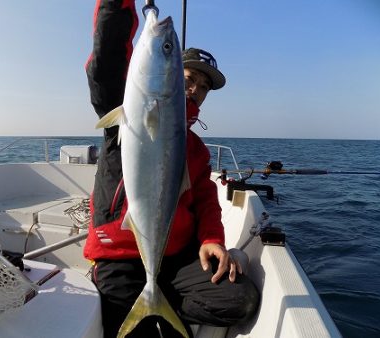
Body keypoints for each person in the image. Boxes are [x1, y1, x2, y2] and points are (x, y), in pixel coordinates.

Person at [84, 1, 259, 337]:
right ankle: (153, 307)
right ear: (173, 73)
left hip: (174, 257)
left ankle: (158, 302)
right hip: (118, 255)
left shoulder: (195, 150)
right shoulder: (122, 115)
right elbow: (105, 63)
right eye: (190, 78)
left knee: (241, 299)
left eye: (204, 87)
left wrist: (211, 239)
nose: (195, 90)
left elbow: (207, 200)